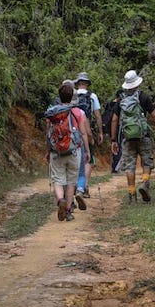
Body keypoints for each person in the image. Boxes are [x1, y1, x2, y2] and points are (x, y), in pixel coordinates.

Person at [110, 70, 155, 202]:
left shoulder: (121, 98)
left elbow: (114, 120)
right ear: (137, 83)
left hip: (127, 137)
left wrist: (113, 139)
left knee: (129, 166)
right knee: (146, 161)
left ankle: (132, 194)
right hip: (143, 135)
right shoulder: (143, 97)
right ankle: (144, 183)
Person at [45, 80, 91, 221]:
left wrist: (48, 151)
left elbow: (48, 134)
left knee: (58, 180)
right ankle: (69, 211)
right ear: (72, 96)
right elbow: (83, 133)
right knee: (71, 182)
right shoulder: (77, 112)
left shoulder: (53, 113)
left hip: (57, 152)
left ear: (59, 96)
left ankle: (60, 200)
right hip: (74, 151)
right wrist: (87, 151)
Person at [73, 72, 102, 200]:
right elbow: (97, 115)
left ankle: (75, 186)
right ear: (87, 84)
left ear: (78, 83)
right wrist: (100, 131)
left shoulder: (72, 95)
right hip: (87, 131)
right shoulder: (92, 96)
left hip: (72, 131)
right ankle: (85, 187)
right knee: (88, 159)